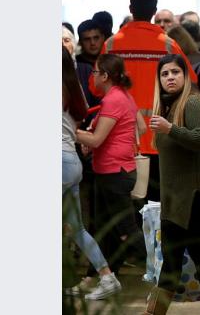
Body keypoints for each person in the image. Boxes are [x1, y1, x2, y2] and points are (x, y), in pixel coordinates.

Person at [92, 0, 197, 202]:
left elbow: (95, 86)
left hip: (119, 141)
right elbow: (191, 84)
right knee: (156, 205)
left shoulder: (111, 45)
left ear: (131, 8)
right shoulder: (168, 45)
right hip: (160, 137)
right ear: (154, 10)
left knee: (125, 208)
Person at [143, 54, 200, 315]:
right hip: (178, 201)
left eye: (175, 73)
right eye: (164, 74)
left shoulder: (193, 103)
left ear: (186, 75)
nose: (170, 77)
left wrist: (171, 129)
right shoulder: (169, 106)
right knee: (172, 264)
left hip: (196, 200)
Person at [75, 54, 145, 287]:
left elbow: (96, 140)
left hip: (114, 172)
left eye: (95, 72)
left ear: (105, 76)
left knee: (126, 231)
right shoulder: (123, 96)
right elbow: (141, 127)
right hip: (115, 170)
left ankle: (167, 271)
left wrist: (69, 132)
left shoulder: (113, 100)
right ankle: (106, 278)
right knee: (109, 230)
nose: (92, 77)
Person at [62, 47, 123, 300]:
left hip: (58, 162)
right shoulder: (73, 89)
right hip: (71, 161)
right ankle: (107, 276)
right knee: (77, 228)